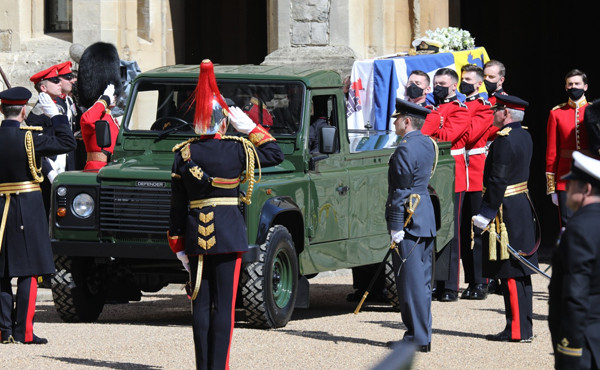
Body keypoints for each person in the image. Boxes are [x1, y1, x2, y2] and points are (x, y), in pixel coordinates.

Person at [167, 60, 283, 369]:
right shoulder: (237, 149)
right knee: (225, 308)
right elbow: (275, 154)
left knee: (200, 307)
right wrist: (250, 127)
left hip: (195, 236)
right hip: (229, 235)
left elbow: (177, 207)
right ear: (223, 123)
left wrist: (178, 246)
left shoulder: (183, 154)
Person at [0, 86, 76, 344]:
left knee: (2, 272)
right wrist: (55, 115)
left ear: (2, 110)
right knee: (29, 272)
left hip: (0, 208)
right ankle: (24, 332)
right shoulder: (30, 138)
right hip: (28, 208)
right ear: (23, 110)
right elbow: (68, 142)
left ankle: (4, 330)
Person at [472, 94, 539, 343]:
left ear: (506, 113)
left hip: (505, 208)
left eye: (497, 109)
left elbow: (497, 180)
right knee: (521, 271)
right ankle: (524, 328)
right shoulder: (524, 135)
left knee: (511, 270)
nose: (494, 113)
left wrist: (486, 213)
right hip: (521, 203)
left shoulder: (504, 141)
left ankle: (517, 330)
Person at [385, 98, 437, 352]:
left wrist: (396, 226)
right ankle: (420, 333)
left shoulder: (405, 148)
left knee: (411, 282)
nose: (394, 122)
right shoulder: (427, 142)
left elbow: (401, 190)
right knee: (421, 281)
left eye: (397, 118)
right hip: (423, 215)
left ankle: (417, 337)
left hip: (409, 218)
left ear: (407, 121)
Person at [422, 67, 471, 302]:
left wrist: (434, 124)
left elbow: (445, 137)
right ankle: (432, 281)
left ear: (454, 86)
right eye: (436, 83)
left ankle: (450, 284)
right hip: (431, 172)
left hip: (453, 173)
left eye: (443, 83)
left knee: (452, 231)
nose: (439, 87)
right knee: (432, 228)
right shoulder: (434, 108)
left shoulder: (460, 110)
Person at [548, 150, 600, 369]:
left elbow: (575, 295)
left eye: (572, 183)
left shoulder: (579, 229)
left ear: (586, 189)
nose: (566, 188)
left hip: (586, 341)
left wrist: (569, 350)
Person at [459, 64, 494, 300]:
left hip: (475, 170)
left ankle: (481, 281)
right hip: (460, 169)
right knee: (463, 230)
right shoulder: (459, 107)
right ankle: (470, 279)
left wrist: (451, 127)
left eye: (469, 79)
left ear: (479, 83)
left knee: (476, 231)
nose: (465, 82)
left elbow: (470, 135)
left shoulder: (484, 107)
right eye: (462, 78)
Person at [546, 69, 590, 227]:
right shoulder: (556, 113)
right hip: (565, 178)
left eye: (577, 84)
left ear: (585, 87)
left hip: (591, 176)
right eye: (570, 84)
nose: (573, 87)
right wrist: (552, 186)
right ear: (565, 87)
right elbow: (552, 151)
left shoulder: (594, 112)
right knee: (568, 225)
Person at [76, 42, 123, 171]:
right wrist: (105, 99)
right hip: (95, 169)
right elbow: (87, 120)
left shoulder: (110, 117)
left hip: (112, 168)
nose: (114, 97)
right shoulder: (94, 115)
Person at [483, 59, 508, 296]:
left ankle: (502, 272)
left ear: (501, 80)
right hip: (483, 161)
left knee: (501, 220)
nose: (486, 81)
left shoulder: (505, 103)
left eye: (491, 78)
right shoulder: (481, 101)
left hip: (497, 160)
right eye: (485, 76)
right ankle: (488, 275)